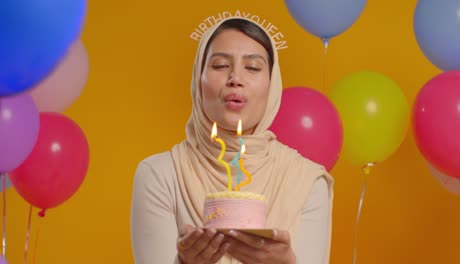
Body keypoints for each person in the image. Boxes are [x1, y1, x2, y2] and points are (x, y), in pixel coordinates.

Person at [130, 17, 334, 264]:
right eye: (220, 65)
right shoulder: (160, 174)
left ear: (273, 84)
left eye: (253, 68)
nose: (235, 78)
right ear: (198, 79)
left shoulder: (307, 181)